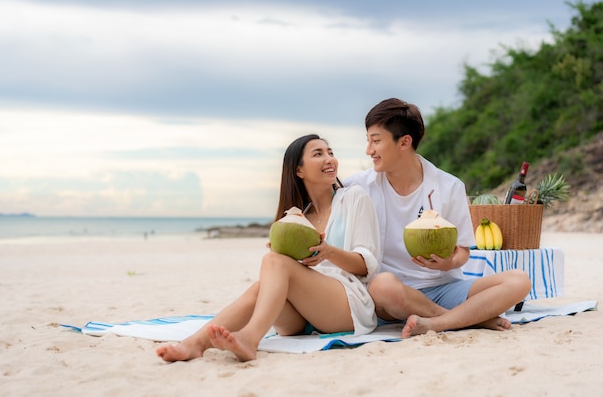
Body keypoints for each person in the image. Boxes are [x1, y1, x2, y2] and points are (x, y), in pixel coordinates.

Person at [156, 134, 381, 362]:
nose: (329, 159)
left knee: (271, 263)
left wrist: (328, 251)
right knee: (260, 286)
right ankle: (196, 343)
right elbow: (289, 273)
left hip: (347, 306)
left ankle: (249, 338)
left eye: (330, 152)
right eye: (318, 154)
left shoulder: (354, 198)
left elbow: (366, 266)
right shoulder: (296, 219)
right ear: (299, 170)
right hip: (303, 315)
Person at [344, 98, 531, 338]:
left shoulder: (449, 186)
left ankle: (436, 323)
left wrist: (448, 263)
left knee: (520, 281)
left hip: (443, 287)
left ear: (404, 142)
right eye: (368, 140)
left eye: (376, 141)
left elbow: (463, 251)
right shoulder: (357, 187)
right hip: (393, 294)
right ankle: (467, 319)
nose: (369, 150)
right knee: (382, 285)